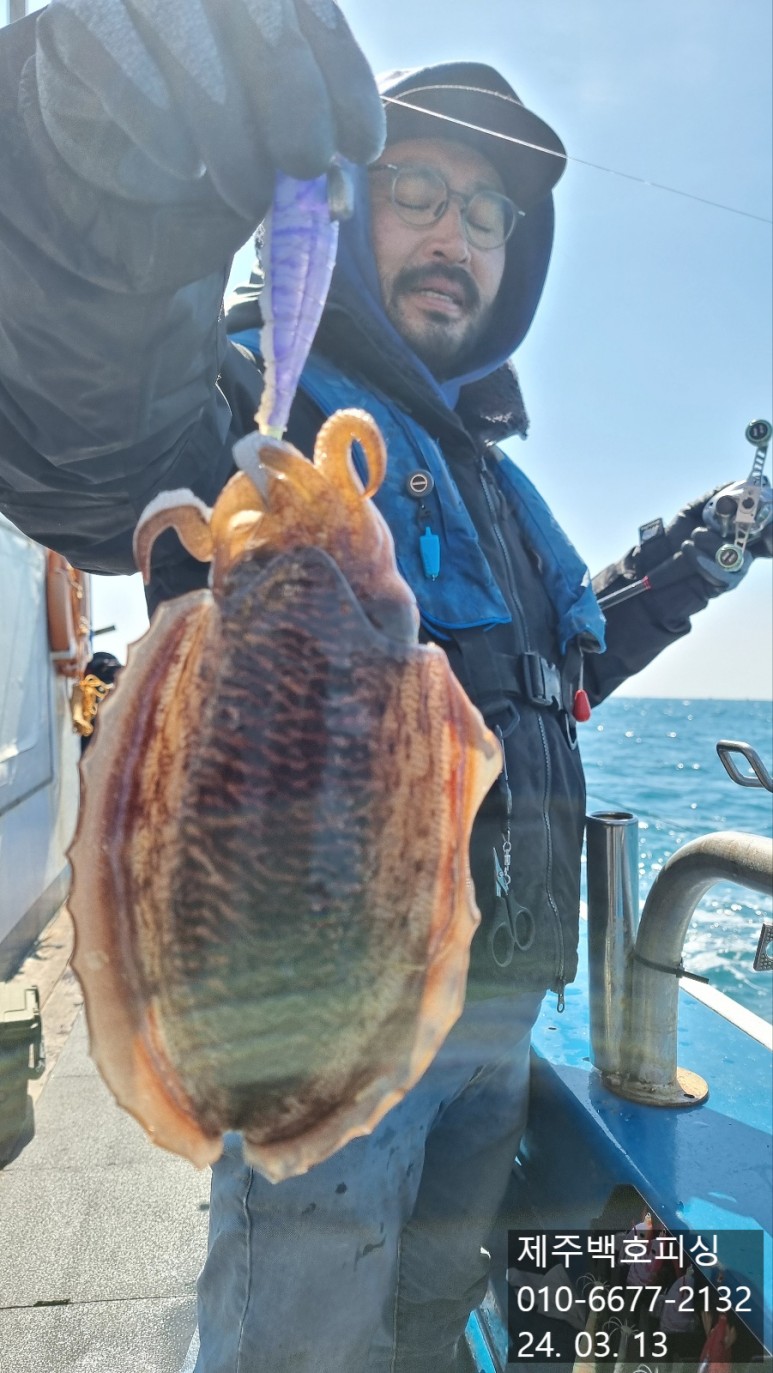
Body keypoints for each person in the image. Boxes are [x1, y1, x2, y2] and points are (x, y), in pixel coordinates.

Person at [0, 5, 769, 1372]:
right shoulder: (262, 403)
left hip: (507, 1000)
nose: (454, 234)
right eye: (416, 189)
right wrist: (79, 216)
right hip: (323, 994)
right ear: (346, 206)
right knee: (298, 1341)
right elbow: (89, 436)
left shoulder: (498, 484)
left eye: (486, 213)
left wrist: (705, 555)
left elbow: (559, 669)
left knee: (429, 1318)